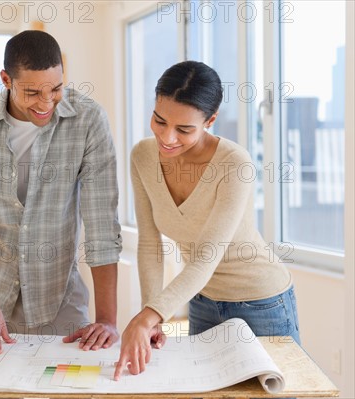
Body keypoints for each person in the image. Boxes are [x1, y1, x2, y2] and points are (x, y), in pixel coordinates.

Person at [114, 61, 300, 380]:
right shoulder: (142, 156)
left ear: (210, 121)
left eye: (184, 129)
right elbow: (149, 244)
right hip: (202, 301)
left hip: (261, 301)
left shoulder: (234, 164)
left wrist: (147, 316)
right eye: (159, 120)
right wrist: (155, 314)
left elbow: (206, 258)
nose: (167, 137)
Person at [0, 30, 122, 357]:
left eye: (55, 89)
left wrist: (108, 320)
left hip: (60, 303)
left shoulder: (88, 120)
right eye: (32, 92)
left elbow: (101, 223)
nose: (46, 103)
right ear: (6, 80)